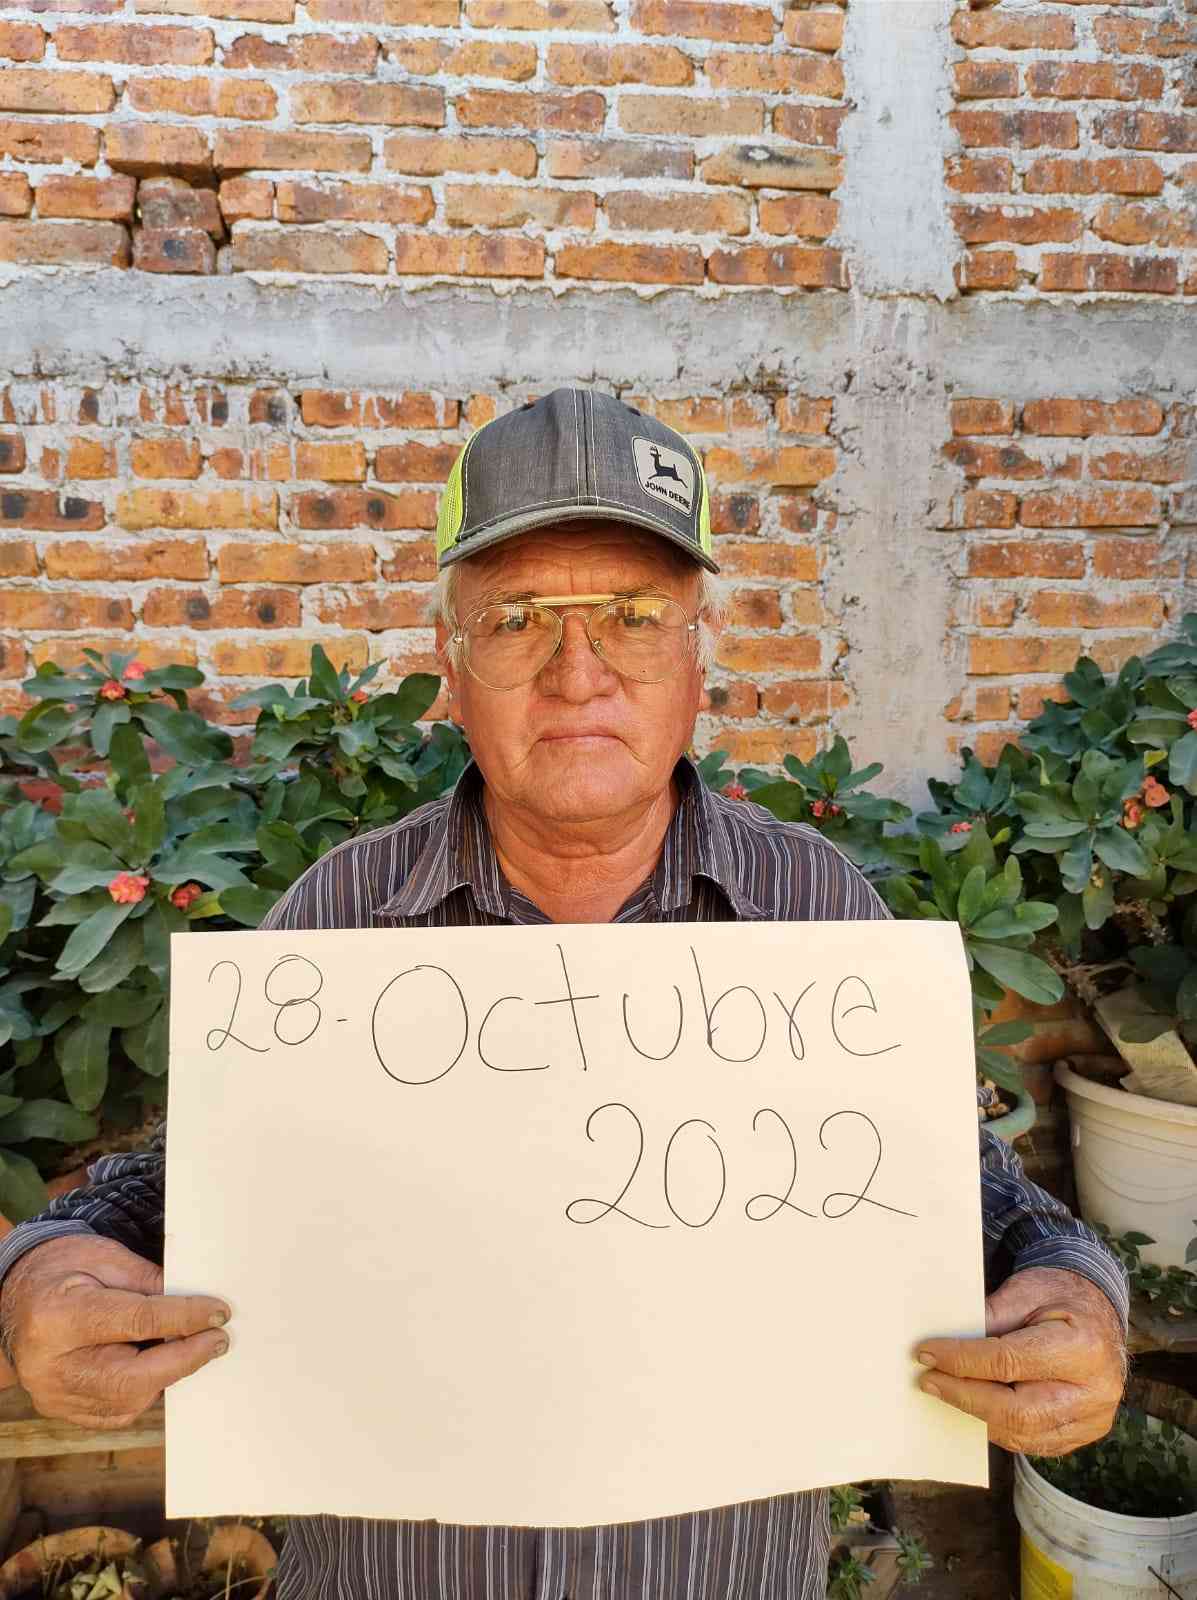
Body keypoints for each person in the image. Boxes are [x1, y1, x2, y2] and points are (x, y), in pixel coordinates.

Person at [0, 389, 1128, 1600]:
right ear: (451, 662)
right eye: (517, 619)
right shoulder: (341, 914)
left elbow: (974, 1193)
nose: (577, 675)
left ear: (698, 653)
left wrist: (1079, 1289)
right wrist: (39, 1272)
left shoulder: (814, 909)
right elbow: (174, 1189)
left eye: (635, 617)